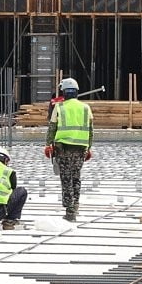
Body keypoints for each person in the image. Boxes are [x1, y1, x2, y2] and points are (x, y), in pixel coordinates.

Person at [45, 77, 94, 222]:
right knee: (76, 177)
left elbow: (52, 128)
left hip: (63, 148)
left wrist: (48, 145)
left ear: (64, 92)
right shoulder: (86, 108)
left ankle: (70, 211)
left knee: (66, 179)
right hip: (80, 149)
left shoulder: (59, 107)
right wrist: (89, 147)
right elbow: (91, 130)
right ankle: (75, 205)